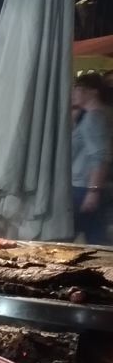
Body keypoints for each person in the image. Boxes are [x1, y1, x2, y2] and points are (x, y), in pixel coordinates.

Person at [72, 71, 112, 244]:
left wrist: (93, 191)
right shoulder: (93, 115)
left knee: (79, 236)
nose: (74, 93)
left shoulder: (94, 118)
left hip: (84, 186)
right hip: (86, 186)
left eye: (79, 88)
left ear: (93, 92)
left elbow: (100, 156)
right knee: (95, 236)